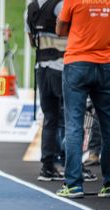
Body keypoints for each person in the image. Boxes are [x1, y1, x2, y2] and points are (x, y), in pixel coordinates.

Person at [55, 0, 110, 198]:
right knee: (108, 126)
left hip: (77, 63)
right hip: (105, 64)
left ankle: (74, 184)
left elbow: (60, 28)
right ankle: (109, 183)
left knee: (74, 126)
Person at [25, 0, 66, 181]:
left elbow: (32, 41)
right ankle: (70, 165)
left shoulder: (30, 8)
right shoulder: (61, 5)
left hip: (41, 67)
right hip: (61, 67)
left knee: (50, 118)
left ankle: (47, 166)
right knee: (68, 119)